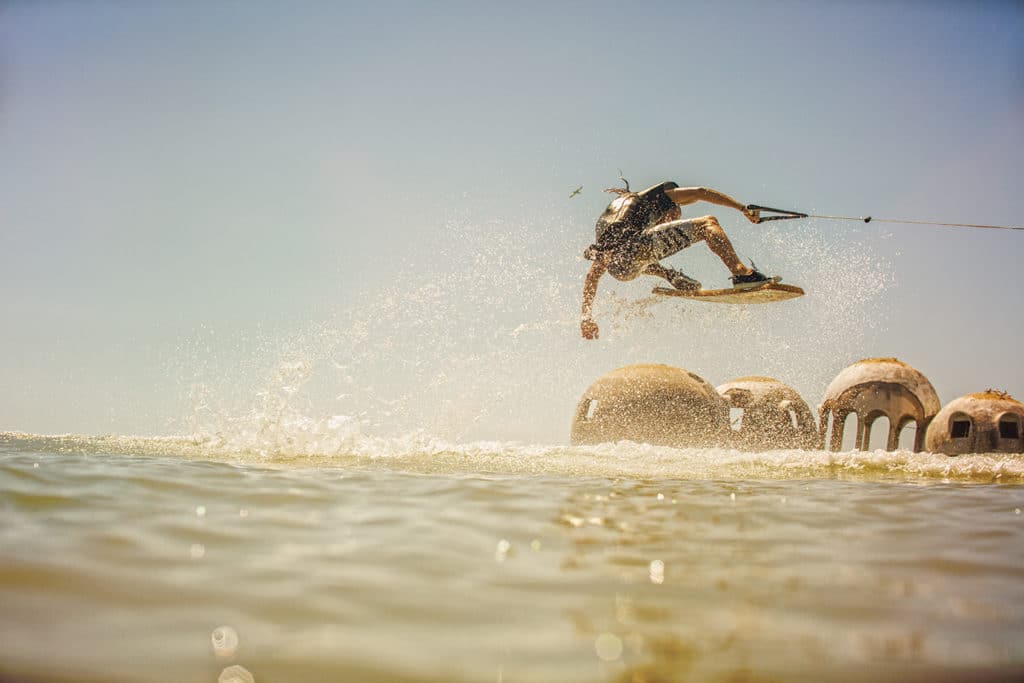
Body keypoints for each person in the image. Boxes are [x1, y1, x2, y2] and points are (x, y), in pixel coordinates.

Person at [580, 180, 776, 340]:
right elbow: (699, 192)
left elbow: (593, 274)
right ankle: (742, 274)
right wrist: (742, 208)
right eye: (674, 216)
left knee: (640, 253)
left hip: (621, 268)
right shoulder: (654, 197)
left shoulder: (617, 216)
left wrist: (586, 317)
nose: (671, 223)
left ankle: (670, 275)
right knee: (708, 223)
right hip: (633, 251)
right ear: (670, 206)